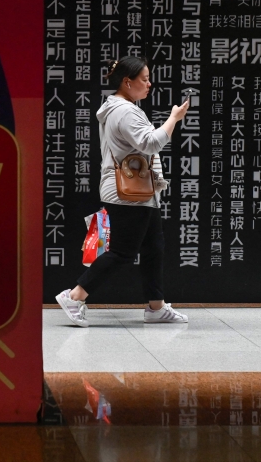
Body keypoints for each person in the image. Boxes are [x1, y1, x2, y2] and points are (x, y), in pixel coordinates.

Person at [56, 56, 190, 326]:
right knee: (122, 251)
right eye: (144, 79)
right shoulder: (125, 111)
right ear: (127, 83)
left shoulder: (120, 108)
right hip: (128, 194)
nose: (149, 83)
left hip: (137, 192)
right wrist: (174, 118)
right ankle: (75, 296)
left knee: (154, 248)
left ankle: (156, 307)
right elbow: (149, 143)